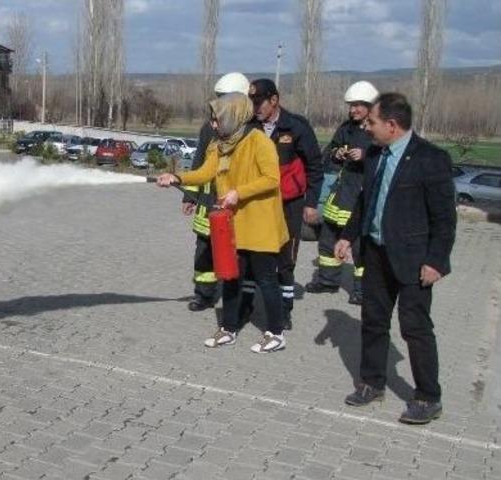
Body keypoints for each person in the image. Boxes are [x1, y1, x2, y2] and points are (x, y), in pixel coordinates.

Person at [335, 92, 456, 425]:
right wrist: (347, 236)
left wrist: (436, 262)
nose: (366, 127)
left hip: (415, 260)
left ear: (391, 124)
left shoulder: (431, 159)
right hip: (375, 253)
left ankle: (428, 397)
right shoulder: (375, 154)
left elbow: (445, 219)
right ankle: (372, 383)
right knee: (373, 321)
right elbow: (364, 202)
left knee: (415, 328)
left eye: (371, 122)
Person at [158, 93, 289, 353]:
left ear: (233, 117)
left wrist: (238, 193)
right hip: (234, 224)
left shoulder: (259, 141)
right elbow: (206, 172)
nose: (213, 125)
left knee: (265, 279)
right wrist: (177, 177)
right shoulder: (220, 144)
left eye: (217, 120)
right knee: (230, 277)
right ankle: (228, 329)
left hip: (260, 224)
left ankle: (275, 333)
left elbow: (272, 179)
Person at [240, 79, 324, 331]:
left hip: (289, 204)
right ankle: (245, 306)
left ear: (274, 100)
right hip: (258, 203)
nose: (255, 107)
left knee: (285, 260)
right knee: (251, 255)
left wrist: (311, 202)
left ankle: (285, 311)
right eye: (251, 102)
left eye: (259, 102)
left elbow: (315, 167)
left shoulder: (296, 126)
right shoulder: (249, 127)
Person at [182, 72, 251, 312]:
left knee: (236, 249)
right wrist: (189, 196)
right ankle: (203, 294)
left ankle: (237, 296)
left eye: (225, 98)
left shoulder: (251, 132)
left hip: (235, 200)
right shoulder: (208, 128)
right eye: (219, 98)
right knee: (204, 248)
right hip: (208, 199)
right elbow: (199, 163)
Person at [306, 81, 380, 305]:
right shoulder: (346, 128)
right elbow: (326, 154)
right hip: (339, 195)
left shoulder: (378, 128)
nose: (353, 110)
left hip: (361, 196)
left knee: (359, 247)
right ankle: (327, 281)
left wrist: (365, 155)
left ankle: (362, 290)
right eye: (351, 106)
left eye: (358, 105)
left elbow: (387, 158)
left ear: (369, 106)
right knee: (328, 239)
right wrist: (337, 153)